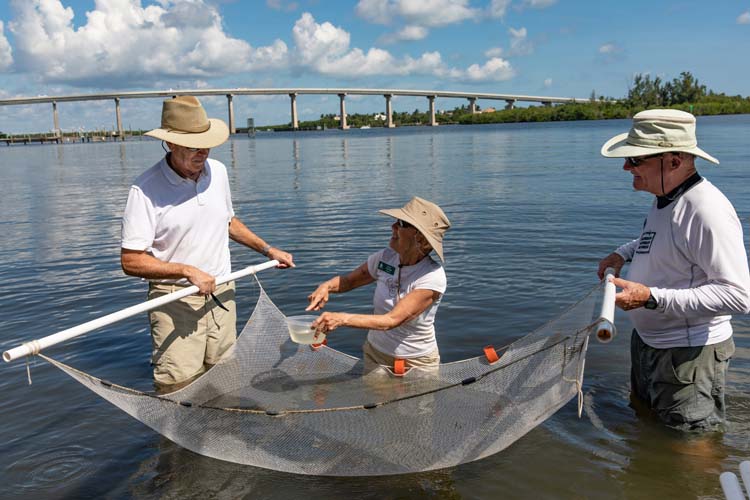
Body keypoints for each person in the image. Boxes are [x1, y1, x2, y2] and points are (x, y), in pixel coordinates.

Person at [121, 95, 294, 393]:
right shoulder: (145, 189)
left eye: (207, 143)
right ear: (171, 144)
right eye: (193, 146)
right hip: (176, 299)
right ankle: (174, 439)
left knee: (225, 374)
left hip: (223, 290)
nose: (202, 152)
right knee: (179, 384)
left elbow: (228, 221)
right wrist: (186, 271)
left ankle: (223, 433)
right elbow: (131, 260)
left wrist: (267, 249)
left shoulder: (219, 172)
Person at [597, 109, 750, 429]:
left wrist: (650, 298)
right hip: (650, 344)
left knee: (693, 451)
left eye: (636, 159)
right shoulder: (667, 198)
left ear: (674, 161)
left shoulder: (706, 209)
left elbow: (738, 296)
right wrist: (622, 254)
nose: (626, 166)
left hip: (688, 356)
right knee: (647, 428)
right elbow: (660, 239)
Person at [307, 196, 450, 374]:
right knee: (377, 399)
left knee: (416, 403)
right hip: (376, 354)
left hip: (417, 362)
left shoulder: (432, 276)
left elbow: (392, 320)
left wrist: (341, 319)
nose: (393, 227)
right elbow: (349, 281)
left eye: (402, 224)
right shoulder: (385, 258)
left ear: (420, 238)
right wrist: (326, 286)